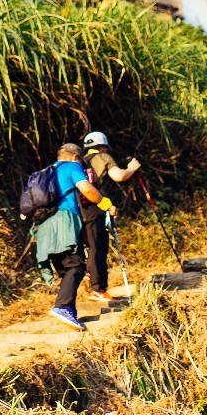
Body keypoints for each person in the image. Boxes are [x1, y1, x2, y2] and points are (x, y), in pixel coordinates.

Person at [34, 142, 112, 330]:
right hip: (64, 220)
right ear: (76, 157)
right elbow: (86, 189)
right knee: (76, 265)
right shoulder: (72, 166)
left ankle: (69, 310)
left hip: (43, 225)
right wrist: (103, 202)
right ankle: (63, 307)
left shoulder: (45, 171)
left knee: (66, 268)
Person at [79, 132, 141, 303]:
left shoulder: (80, 160)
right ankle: (98, 289)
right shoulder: (103, 157)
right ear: (102, 146)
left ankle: (89, 276)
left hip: (77, 207)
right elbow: (119, 176)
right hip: (95, 206)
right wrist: (132, 169)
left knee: (88, 245)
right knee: (98, 246)